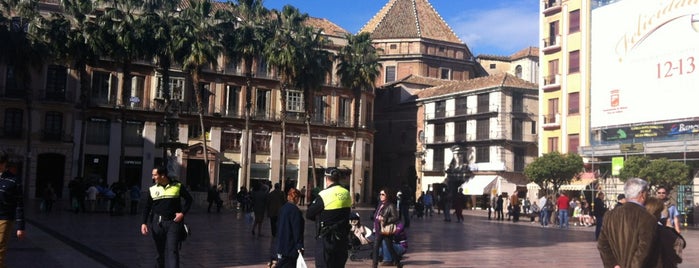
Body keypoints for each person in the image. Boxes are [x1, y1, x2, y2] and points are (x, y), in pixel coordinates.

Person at [597, 178, 659, 268]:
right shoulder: (647, 218)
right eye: (647, 192)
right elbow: (644, 249)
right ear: (642, 194)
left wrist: (613, 264)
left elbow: (602, 244)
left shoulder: (609, 215)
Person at [140, 167, 193, 268]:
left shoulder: (178, 186)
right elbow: (147, 207)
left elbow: (189, 200)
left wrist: (182, 213)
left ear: (163, 175)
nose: (153, 177)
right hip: (157, 223)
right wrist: (143, 223)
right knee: (159, 252)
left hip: (174, 223)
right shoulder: (152, 189)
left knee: (172, 250)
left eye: (155, 175)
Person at [306, 167, 351, 268]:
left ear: (326, 178)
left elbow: (309, 214)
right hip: (342, 238)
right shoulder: (346, 193)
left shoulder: (324, 194)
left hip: (326, 238)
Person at [645, 196, 686, 268]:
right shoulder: (662, 230)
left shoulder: (639, 227)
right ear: (657, 213)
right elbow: (681, 243)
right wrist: (670, 227)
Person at [0, 151, 25, 266]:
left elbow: (20, 204)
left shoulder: (14, 180)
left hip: (5, 218)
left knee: (0, 248)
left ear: (5, 164)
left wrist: (20, 227)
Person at [274, 188, 304, 267]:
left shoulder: (282, 208)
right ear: (296, 198)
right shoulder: (295, 211)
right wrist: (299, 245)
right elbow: (297, 230)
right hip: (290, 247)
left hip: (281, 245)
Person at [372, 187, 401, 267]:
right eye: (380, 194)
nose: (381, 196)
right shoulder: (380, 204)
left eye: (383, 194)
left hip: (386, 229)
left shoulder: (391, 205)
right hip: (379, 229)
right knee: (376, 246)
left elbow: (395, 217)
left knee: (389, 247)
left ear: (387, 195)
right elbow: (376, 214)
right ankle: (375, 265)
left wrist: (384, 219)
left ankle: (397, 262)